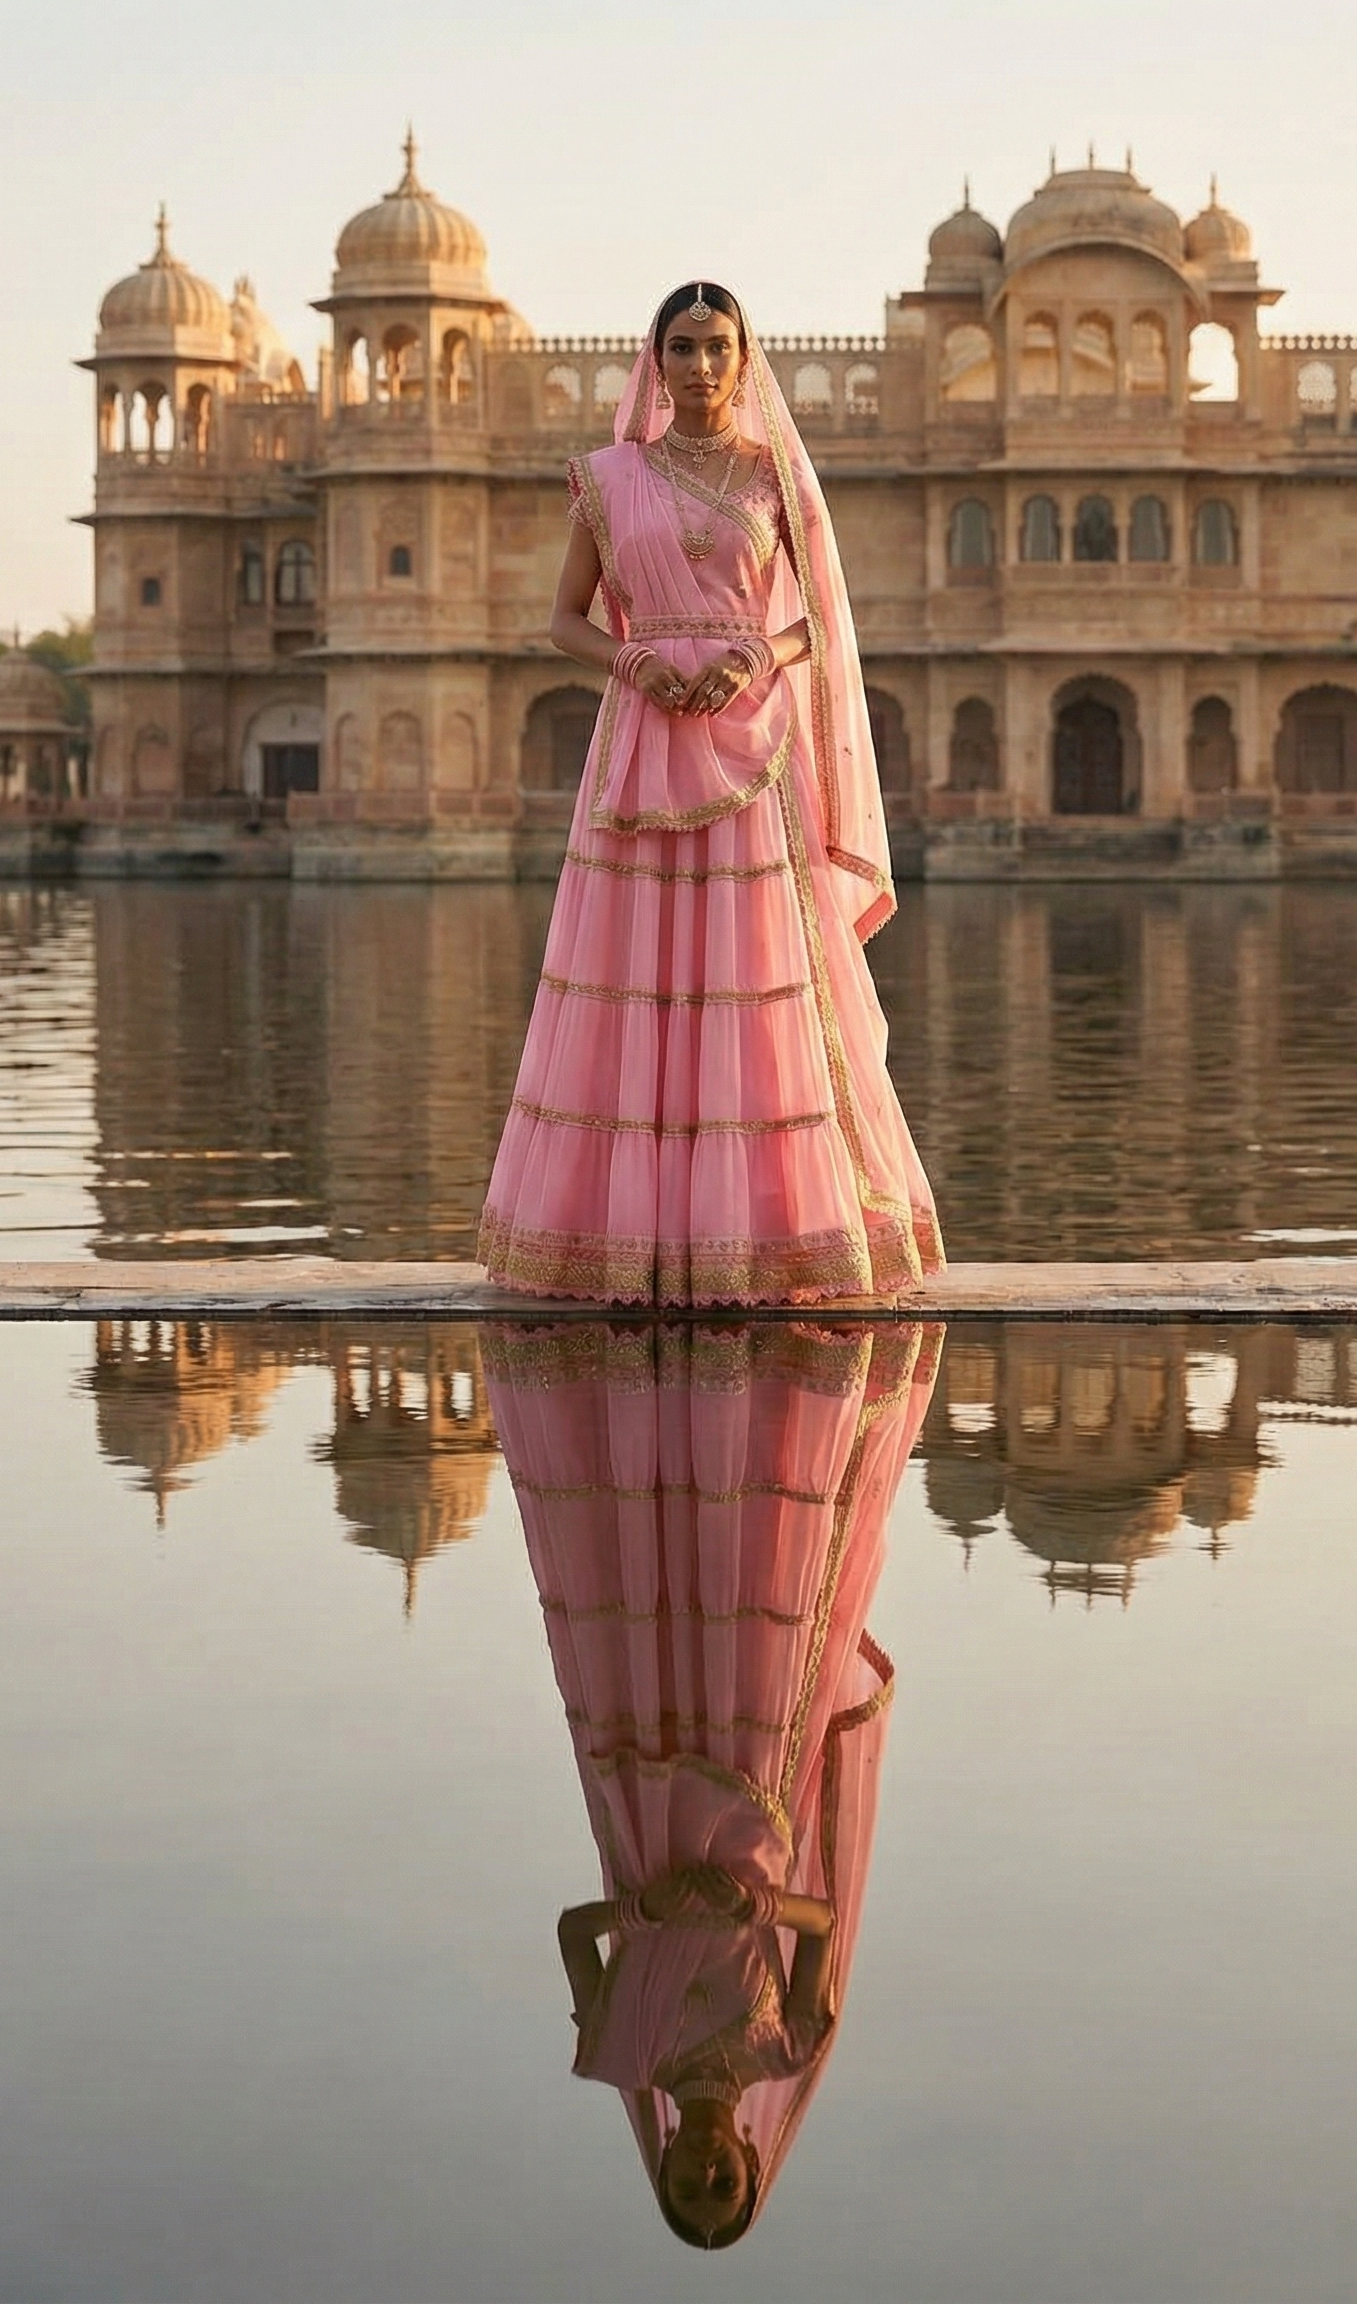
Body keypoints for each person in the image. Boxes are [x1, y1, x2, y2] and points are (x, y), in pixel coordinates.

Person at [477, 283, 945, 1306]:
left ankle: (767, 1236)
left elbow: (816, 619)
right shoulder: (607, 478)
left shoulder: (775, 475)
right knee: (635, 979)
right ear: (654, 360)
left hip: (749, 748)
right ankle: (625, 1242)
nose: (698, 366)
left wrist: (753, 660)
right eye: (681, 348)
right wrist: (629, 662)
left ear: (744, 360)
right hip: (644, 737)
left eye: (715, 348)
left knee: (750, 979)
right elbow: (563, 619)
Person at [484, 1318, 943, 2246]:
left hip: (647, 1807)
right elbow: (818, 1919)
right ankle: (751, 1408)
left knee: (645, 1611)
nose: (704, 2171)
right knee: (755, 1607)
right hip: (756, 1806)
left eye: (686, 2187)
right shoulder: (789, 2045)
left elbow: (576, 1929)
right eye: (723, 2183)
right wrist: (747, 1905)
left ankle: (650, 1411)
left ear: (662, 2167)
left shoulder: (614, 2054)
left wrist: (645, 1917)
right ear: (746, 2158)